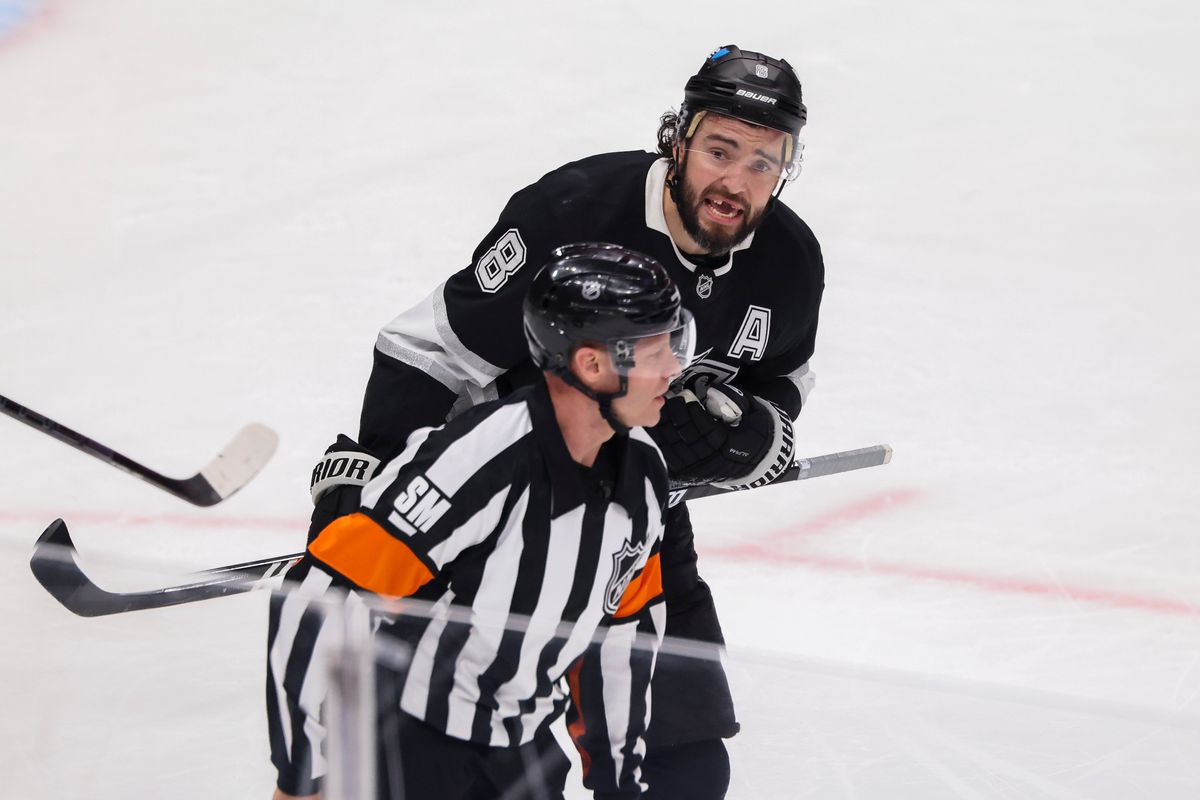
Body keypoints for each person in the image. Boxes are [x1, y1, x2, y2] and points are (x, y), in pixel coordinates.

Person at [315, 44, 824, 799]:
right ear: (677, 139)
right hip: (502, 513)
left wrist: (757, 435)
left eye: (763, 162)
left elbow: (779, 381)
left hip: (641, 522)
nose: (736, 181)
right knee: (450, 752)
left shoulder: (789, 259)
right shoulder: (574, 209)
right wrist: (383, 479)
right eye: (721, 150)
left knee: (683, 767)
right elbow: (432, 351)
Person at [269, 243, 696, 799]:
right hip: (409, 743)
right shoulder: (479, 459)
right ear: (594, 365)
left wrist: (621, 787)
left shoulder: (643, 475)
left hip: (524, 751)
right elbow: (324, 593)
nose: (676, 367)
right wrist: (300, 773)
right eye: (657, 350)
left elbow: (623, 640)